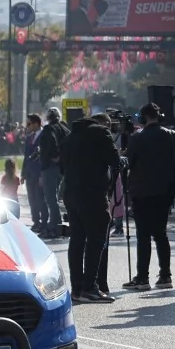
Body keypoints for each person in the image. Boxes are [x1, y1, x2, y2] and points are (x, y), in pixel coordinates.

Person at [123, 103, 175, 290]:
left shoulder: (137, 138)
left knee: (143, 235)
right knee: (161, 233)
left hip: (142, 192)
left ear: (143, 118)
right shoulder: (172, 136)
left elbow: (128, 163)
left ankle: (142, 278)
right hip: (164, 191)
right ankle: (165, 276)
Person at [61, 113, 120, 303]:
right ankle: (90, 287)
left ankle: (77, 288)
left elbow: (62, 168)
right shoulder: (101, 133)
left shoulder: (70, 137)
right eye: (109, 125)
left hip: (72, 194)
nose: (110, 129)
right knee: (96, 240)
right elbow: (115, 160)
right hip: (93, 194)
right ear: (103, 123)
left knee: (77, 241)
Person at [38, 107, 70, 239]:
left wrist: (55, 155)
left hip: (50, 167)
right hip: (62, 168)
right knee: (55, 197)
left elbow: (51, 143)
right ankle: (55, 224)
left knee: (51, 198)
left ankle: (54, 226)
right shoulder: (65, 129)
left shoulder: (48, 129)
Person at [21, 114, 46, 232]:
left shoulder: (44, 136)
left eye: (29, 124)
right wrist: (23, 173)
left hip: (39, 173)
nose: (27, 127)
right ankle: (36, 221)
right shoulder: (29, 138)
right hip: (30, 173)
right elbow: (26, 157)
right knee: (32, 199)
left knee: (40, 198)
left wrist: (42, 175)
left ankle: (44, 222)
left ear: (36, 124)